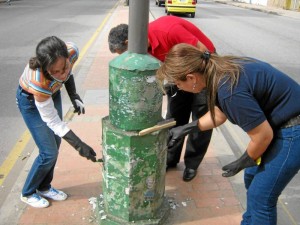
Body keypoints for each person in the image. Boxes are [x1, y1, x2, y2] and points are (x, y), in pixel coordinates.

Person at [156, 43, 300, 225]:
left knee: (261, 197)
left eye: (178, 83)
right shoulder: (219, 69)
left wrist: (245, 158)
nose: (178, 88)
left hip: (293, 130)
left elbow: (262, 136)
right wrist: (184, 129)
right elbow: (218, 113)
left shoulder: (229, 90)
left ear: (191, 77)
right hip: (280, 124)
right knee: (251, 178)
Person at [108, 16, 216, 181]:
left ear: (130, 42)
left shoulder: (168, 31)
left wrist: (197, 83)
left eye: (125, 53)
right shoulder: (142, 49)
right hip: (177, 72)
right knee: (174, 116)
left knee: (201, 117)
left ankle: (192, 164)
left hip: (203, 67)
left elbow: (201, 51)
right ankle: (170, 159)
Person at [16, 36, 97, 208]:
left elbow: (68, 74)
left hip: (53, 92)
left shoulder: (72, 51)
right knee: (49, 151)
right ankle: (28, 192)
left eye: (65, 67)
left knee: (57, 141)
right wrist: (79, 144)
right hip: (31, 101)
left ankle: (44, 187)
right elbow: (52, 121)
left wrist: (74, 95)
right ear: (46, 69)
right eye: (56, 72)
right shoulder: (38, 81)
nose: (62, 74)